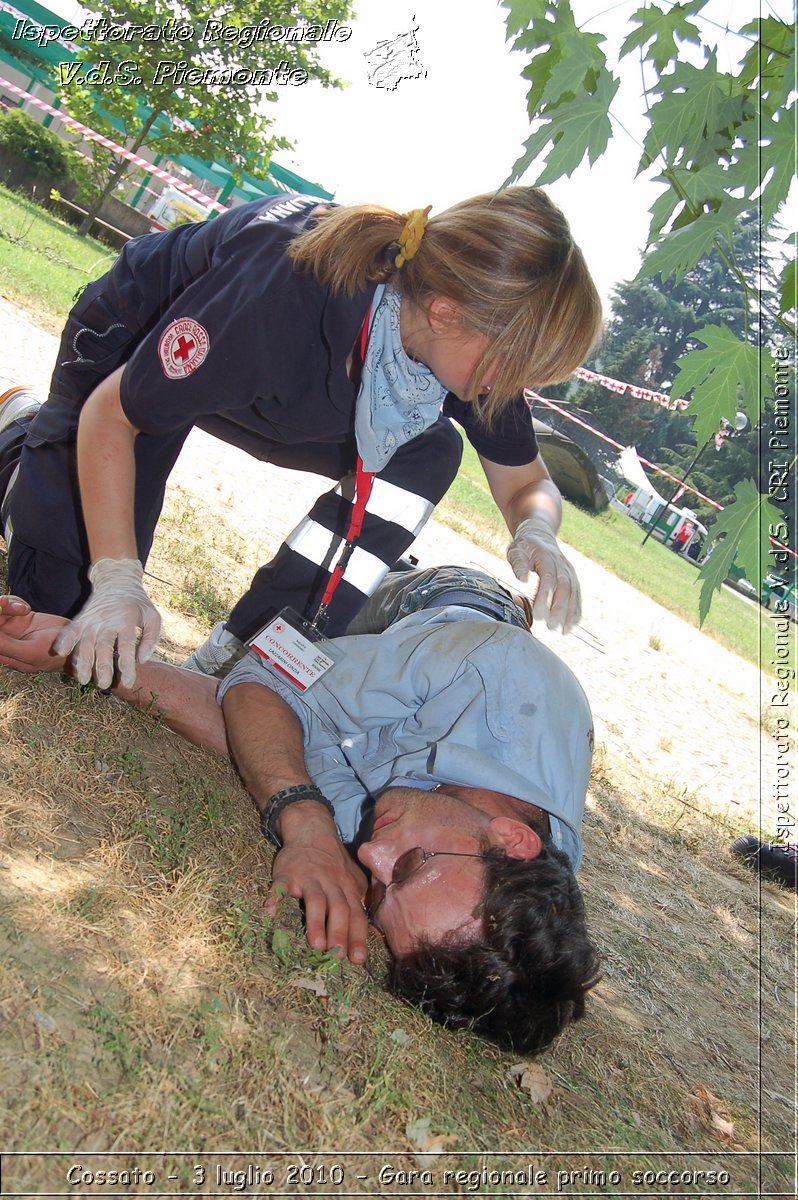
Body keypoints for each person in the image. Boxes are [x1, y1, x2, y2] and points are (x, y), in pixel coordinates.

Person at [0, 186, 602, 692]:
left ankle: (254, 651)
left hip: (281, 400)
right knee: (65, 602)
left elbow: (527, 482)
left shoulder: (462, 350)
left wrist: (538, 529)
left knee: (430, 448)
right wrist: (116, 580)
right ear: (444, 311)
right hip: (137, 352)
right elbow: (116, 413)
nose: (514, 386)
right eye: (514, 365)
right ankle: (23, 438)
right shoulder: (283, 288)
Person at [0, 565, 600, 1053]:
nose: (369, 853)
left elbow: (271, 733)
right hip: (441, 603)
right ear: (513, 840)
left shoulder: (485, 877)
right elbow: (267, 674)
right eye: (413, 865)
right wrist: (306, 823)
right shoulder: (486, 668)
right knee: (322, 603)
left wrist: (97, 662)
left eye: (379, 890)